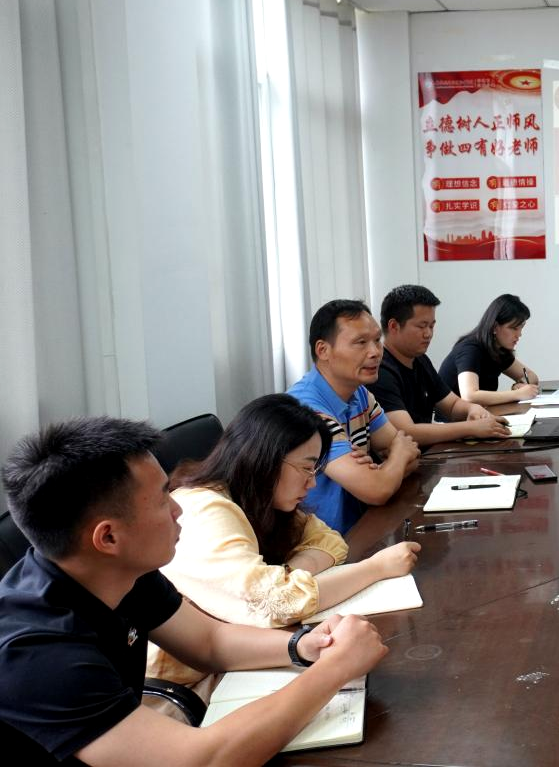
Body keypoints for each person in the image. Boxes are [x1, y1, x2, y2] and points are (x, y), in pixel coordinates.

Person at [0, 417, 391, 766]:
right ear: (108, 537)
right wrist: (335, 669)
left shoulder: (115, 571)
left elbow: (209, 641)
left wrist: (303, 646)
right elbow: (199, 760)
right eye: (161, 500)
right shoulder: (36, 654)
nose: (178, 510)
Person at [147, 395, 421, 688]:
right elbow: (276, 602)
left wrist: (288, 575)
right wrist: (375, 568)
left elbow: (329, 540)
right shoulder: (205, 509)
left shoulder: (260, 500)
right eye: (306, 468)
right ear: (265, 458)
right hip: (185, 686)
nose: (312, 482)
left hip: (239, 661)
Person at [288, 299, 421, 534]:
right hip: (319, 541)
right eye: (360, 343)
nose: (375, 352)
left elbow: (411, 455)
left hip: (359, 526)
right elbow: (377, 489)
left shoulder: (359, 393)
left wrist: (387, 467)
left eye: (377, 340)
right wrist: (393, 461)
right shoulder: (306, 409)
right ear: (323, 350)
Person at [369, 285, 511, 445]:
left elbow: (452, 405)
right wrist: (471, 428)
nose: (428, 334)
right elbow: (406, 432)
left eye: (431, 326)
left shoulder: (420, 360)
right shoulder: (379, 370)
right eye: (421, 326)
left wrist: (473, 409)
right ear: (394, 326)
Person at [438, 294, 540, 407]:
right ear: (495, 327)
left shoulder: (498, 348)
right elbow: (469, 396)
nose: (519, 334)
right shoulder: (470, 349)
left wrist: (520, 386)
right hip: (455, 417)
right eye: (514, 328)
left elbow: (531, 376)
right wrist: (517, 394)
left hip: (480, 413)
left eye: (521, 328)